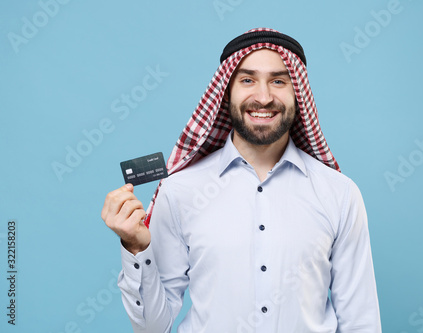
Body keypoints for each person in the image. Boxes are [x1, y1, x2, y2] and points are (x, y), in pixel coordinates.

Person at [101, 28, 382, 333]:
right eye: (247, 80)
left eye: (278, 81)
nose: (263, 97)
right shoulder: (180, 191)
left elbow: (361, 322)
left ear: (297, 93)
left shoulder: (339, 194)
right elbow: (153, 328)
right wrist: (135, 247)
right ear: (226, 92)